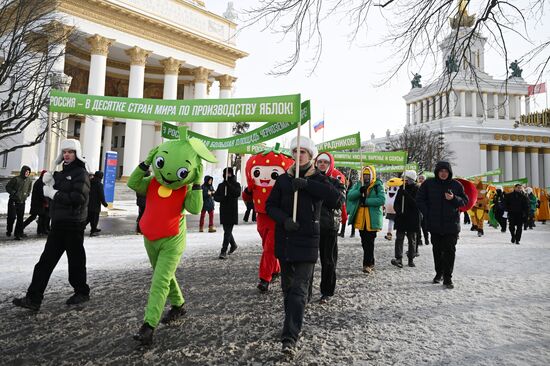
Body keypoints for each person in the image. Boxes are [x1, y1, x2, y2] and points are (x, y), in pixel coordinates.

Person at [266, 136, 340, 354]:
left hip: (308, 241)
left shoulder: (318, 178)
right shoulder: (283, 180)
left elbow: (335, 199)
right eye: (295, 152)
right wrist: (284, 220)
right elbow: (270, 206)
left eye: (303, 152)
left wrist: (308, 185)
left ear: (311, 156)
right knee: (287, 289)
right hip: (286, 239)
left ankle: (290, 337)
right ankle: (291, 322)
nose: (298, 156)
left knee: (299, 289)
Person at [12, 139, 91, 311]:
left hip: (74, 224)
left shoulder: (80, 174)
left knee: (76, 261)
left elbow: (78, 199)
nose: (67, 155)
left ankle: (82, 292)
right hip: (59, 223)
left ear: (76, 153)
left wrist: (53, 193)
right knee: (45, 262)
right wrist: (47, 181)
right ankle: (33, 298)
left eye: (70, 151)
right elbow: (50, 194)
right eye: (64, 152)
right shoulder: (60, 173)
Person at [416, 161, 468, 289]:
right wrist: (428, 213)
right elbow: (419, 199)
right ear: (437, 172)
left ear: (449, 173)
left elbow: (464, 201)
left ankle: (448, 277)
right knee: (437, 250)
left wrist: (454, 198)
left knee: (450, 250)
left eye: (446, 171)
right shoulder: (428, 183)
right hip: (434, 224)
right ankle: (439, 273)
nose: (443, 173)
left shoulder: (456, 184)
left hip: (451, 224)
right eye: (441, 171)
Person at [314, 152, 346, 303]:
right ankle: (305, 291)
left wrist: (323, 183)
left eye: (325, 162)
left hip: (329, 227)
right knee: (307, 261)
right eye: (319, 161)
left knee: (328, 261)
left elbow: (338, 202)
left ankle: (327, 291)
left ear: (330, 164)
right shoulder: (309, 180)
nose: (322, 164)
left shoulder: (336, 182)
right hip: (310, 226)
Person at [346, 166, 385, 273]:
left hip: (372, 219)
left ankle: (367, 264)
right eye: (364, 175)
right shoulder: (359, 184)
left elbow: (381, 200)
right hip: (361, 219)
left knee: (369, 242)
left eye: (368, 175)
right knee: (364, 242)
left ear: (372, 175)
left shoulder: (378, 185)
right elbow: (349, 196)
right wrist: (359, 191)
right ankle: (371, 261)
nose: (366, 177)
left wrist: (366, 201)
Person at [391, 170, 420, 268]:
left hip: (412, 218)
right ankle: (398, 258)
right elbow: (396, 203)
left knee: (412, 239)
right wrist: (399, 211)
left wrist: (406, 195)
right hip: (402, 218)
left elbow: (416, 204)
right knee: (399, 238)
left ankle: (411, 258)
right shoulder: (401, 189)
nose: (404, 181)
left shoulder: (417, 189)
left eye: (406, 179)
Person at [214, 167, 241, 259]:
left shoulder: (236, 184)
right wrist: (222, 198)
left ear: (232, 174)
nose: (227, 175)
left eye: (229, 174)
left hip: (232, 211)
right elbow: (216, 197)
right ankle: (233, 245)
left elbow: (237, 193)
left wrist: (228, 185)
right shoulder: (221, 185)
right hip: (224, 211)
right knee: (227, 231)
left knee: (227, 232)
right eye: (226, 174)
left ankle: (223, 251)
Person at [6, 165, 32, 240]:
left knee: (20, 219)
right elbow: (8, 187)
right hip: (13, 201)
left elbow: (29, 189)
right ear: (23, 171)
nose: (27, 173)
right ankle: (9, 230)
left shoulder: (29, 180)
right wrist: (13, 192)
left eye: (28, 172)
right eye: (26, 172)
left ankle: (17, 234)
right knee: (12, 217)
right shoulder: (16, 179)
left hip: (22, 202)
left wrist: (27, 194)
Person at [22, 170, 50, 236]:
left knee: (41, 216)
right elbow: (41, 194)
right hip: (37, 203)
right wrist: (46, 201)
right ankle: (21, 228)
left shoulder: (41, 182)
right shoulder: (40, 182)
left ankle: (40, 231)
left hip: (38, 203)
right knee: (34, 217)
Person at [87, 171, 108, 237]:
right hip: (95, 204)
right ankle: (93, 231)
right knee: (94, 218)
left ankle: (92, 228)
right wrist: (104, 203)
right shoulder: (99, 184)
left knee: (88, 217)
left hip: (88, 203)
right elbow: (101, 195)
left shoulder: (89, 182)